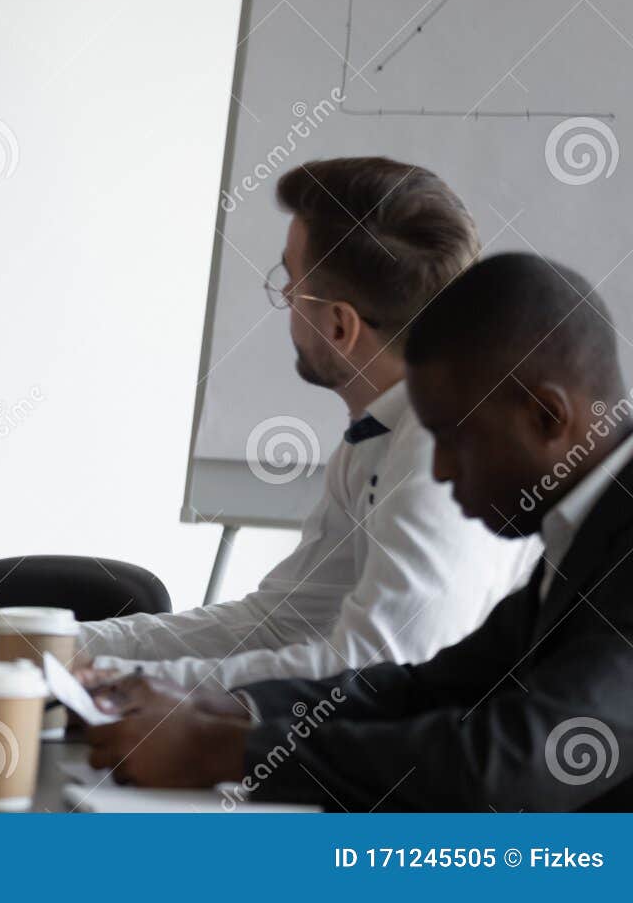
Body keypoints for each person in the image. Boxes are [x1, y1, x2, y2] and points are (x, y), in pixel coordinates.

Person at [85, 253, 633, 811]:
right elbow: (424, 690)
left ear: (546, 416)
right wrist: (234, 710)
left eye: (450, 438)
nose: (440, 471)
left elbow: (511, 761)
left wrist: (230, 751)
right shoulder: (586, 526)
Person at [0, 157, 536, 688]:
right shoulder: (378, 434)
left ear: (340, 326)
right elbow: (278, 623)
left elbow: (369, 672)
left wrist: (112, 677)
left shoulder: (439, 455)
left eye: (290, 282)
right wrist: (62, 643)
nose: (284, 295)